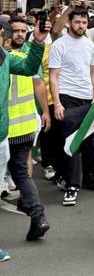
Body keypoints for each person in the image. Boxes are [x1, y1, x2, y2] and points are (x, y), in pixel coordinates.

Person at [49, 7, 94, 204]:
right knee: (72, 142)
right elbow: (53, 76)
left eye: (84, 22)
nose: (81, 26)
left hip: (87, 99)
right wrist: (58, 103)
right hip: (67, 97)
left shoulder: (90, 46)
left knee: (87, 140)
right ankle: (72, 185)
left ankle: (88, 178)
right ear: (69, 22)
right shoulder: (59, 45)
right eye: (78, 22)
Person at [4, 18, 50, 242]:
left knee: (18, 172)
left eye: (23, 31)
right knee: (21, 173)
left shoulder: (7, 58)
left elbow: (37, 81)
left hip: (8, 130)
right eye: (16, 31)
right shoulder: (13, 58)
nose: (20, 34)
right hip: (23, 128)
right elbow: (34, 74)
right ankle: (38, 216)